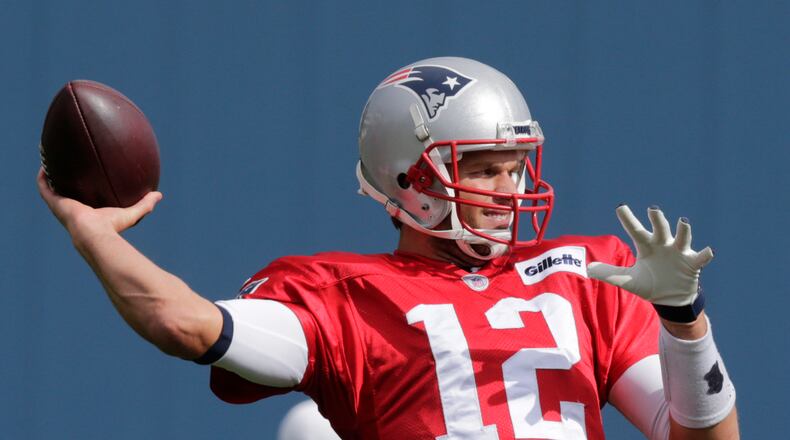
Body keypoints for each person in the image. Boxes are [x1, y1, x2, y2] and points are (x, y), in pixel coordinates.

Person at [38, 57, 738, 439]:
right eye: (481, 167)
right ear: (411, 176)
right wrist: (93, 234)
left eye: (513, 164)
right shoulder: (341, 297)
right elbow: (183, 324)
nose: (507, 186)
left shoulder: (588, 275)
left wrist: (686, 320)